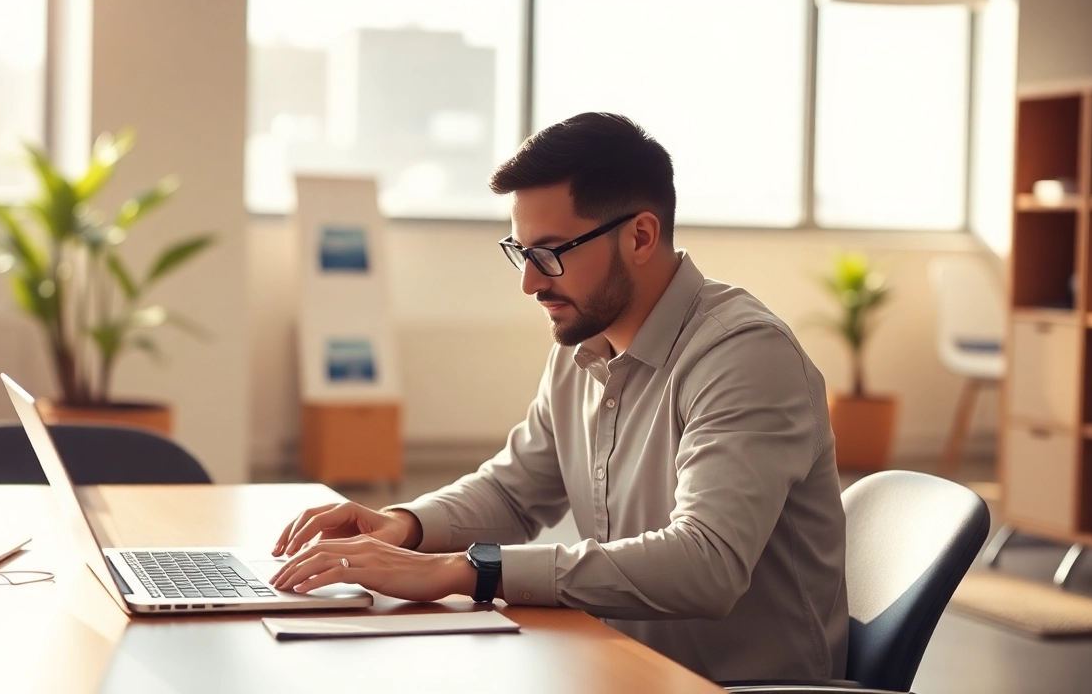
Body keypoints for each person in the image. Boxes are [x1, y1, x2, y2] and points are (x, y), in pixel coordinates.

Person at [269, 112, 848, 682]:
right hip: (617, 666)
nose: (530, 282)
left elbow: (706, 563)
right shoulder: (582, 347)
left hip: (733, 686)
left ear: (641, 236)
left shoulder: (745, 355)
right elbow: (514, 492)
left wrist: (466, 570)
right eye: (520, 252)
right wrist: (402, 526)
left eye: (549, 253)